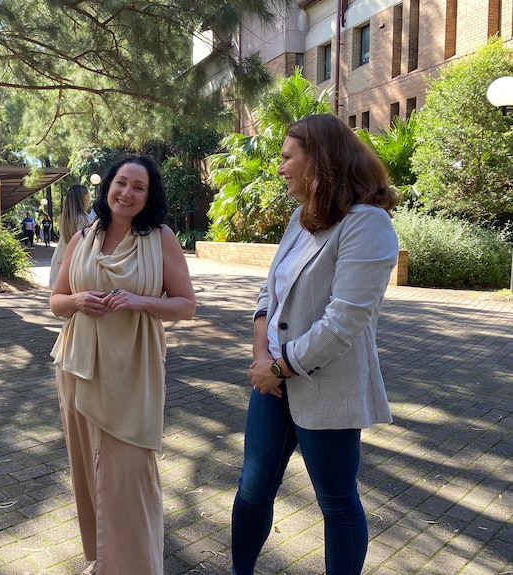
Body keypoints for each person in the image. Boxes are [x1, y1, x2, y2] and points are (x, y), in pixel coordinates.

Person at [231, 114, 399, 575]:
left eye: (288, 157)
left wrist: (280, 365)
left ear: (320, 160)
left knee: (337, 502)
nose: (280, 167)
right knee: (252, 489)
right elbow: (269, 293)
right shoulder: (299, 218)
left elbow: (344, 321)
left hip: (325, 387)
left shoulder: (368, 225)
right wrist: (260, 354)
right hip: (273, 381)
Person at [49, 155, 196, 575]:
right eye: (121, 183)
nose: (126, 192)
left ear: (149, 197)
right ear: (108, 186)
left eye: (138, 187)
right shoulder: (82, 238)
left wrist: (139, 301)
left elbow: (185, 305)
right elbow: (56, 301)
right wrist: (78, 301)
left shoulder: (161, 238)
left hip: (134, 371)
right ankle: (101, 561)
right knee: (86, 472)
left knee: (131, 478)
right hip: (76, 367)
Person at [48, 184, 93, 289]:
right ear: (81, 198)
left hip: (61, 263)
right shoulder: (85, 220)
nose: (89, 199)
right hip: (78, 267)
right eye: (87, 196)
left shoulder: (66, 219)